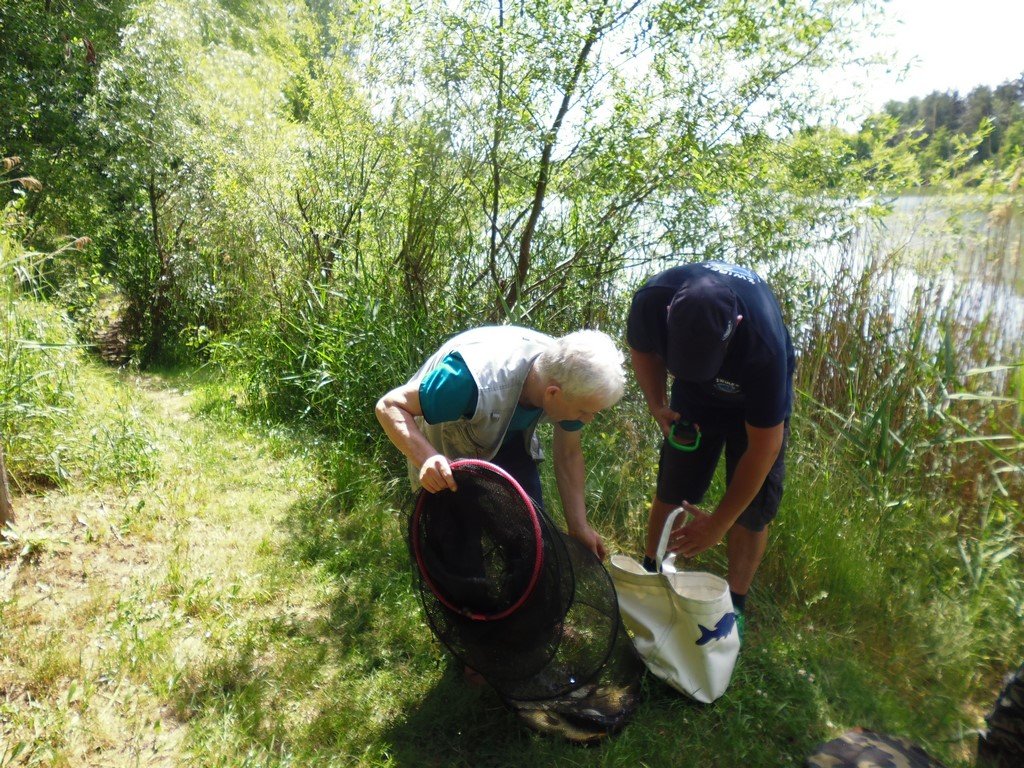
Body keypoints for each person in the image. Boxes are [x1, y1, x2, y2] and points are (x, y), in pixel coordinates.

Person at [626, 261, 795, 633]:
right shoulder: (652, 299)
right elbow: (643, 351)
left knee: (753, 509)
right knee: (675, 485)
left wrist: (718, 524)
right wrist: (657, 404)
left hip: (752, 399)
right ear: (668, 314)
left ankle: (734, 608)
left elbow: (764, 448)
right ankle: (653, 576)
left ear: (734, 326)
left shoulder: (763, 345)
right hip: (694, 398)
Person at [375, 325, 625, 560]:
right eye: (584, 412)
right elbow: (390, 406)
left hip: (509, 435)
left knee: (531, 536)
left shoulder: (569, 378)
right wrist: (427, 458)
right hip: (445, 444)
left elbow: (569, 454)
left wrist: (578, 526)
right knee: (457, 548)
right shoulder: (466, 381)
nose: (588, 420)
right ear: (552, 393)